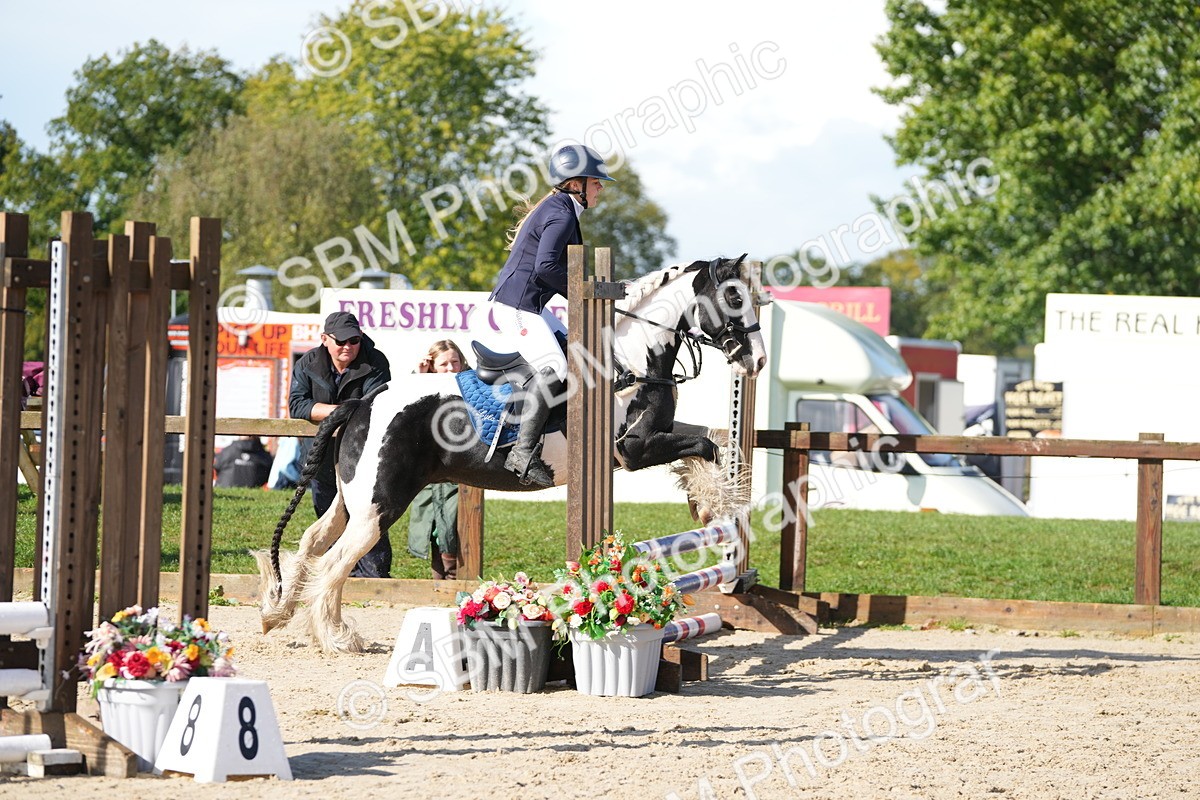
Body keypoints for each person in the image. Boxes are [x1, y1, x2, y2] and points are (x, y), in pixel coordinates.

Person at [487, 143, 614, 487]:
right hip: (515, 308)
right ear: (576, 184)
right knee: (555, 367)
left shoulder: (561, 207)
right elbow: (545, 268)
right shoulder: (561, 212)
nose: (601, 186)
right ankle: (522, 452)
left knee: (575, 349)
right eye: (596, 181)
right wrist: (587, 294)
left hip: (531, 307)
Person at [288, 311, 392, 577]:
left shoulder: (376, 361)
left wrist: (326, 410)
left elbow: (372, 406)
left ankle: (373, 579)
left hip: (363, 458)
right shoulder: (308, 362)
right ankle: (334, 574)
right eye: (341, 341)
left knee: (367, 516)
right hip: (319, 455)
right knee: (326, 516)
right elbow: (297, 406)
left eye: (354, 340)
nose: (348, 346)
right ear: (325, 339)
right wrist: (342, 411)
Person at [408, 340, 470, 579]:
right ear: (433, 366)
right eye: (444, 364)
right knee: (432, 526)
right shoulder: (423, 387)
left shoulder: (471, 386)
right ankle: (438, 587)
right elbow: (405, 409)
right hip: (428, 472)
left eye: (455, 362)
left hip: (460, 470)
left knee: (454, 527)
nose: (451, 368)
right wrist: (419, 377)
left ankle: (454, 585)